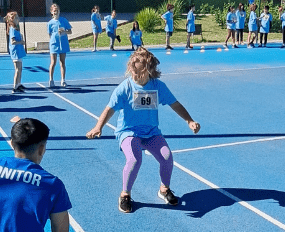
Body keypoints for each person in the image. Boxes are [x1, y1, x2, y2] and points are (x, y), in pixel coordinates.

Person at [86, 48, 201, 213]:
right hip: (128, 132)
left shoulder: (158, 87)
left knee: (167, 157)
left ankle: (164, 189)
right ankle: (125, 194)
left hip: (152, 132)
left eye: (138, 71)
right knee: (134, 159)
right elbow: (109, 109)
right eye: (132, 70)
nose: (134, 74)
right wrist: (98, 127)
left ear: (149, 71)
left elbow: (174, 104)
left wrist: (189, 120)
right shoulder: (124, 88)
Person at [47, 4, 72, 88]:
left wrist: (64, 31)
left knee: (62, 62)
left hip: (63, 43)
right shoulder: (50, 23)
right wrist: (54, 40)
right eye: (54, 11)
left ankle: (63, 80)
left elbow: (70, 31)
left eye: (57, 10)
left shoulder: (63, 20)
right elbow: (50, 34)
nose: (56, 12)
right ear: (51, 12)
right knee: (53, 62)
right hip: (54, 44)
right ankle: (51, 80)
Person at [6, 11, 27, 93]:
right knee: (17, 69)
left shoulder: (16, 28)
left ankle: (19, 84)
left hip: (19, 50)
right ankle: (14, 87)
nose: (18, 19)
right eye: (16, 18)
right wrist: (21, 42)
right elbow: (12, 41)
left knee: (20, 68)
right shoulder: (12, 30)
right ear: (12, 20)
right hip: (16, 51)